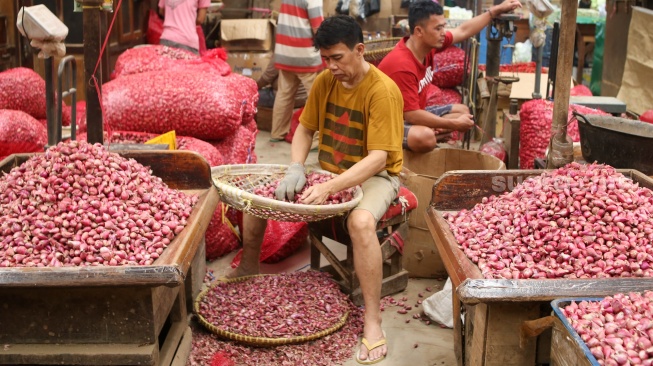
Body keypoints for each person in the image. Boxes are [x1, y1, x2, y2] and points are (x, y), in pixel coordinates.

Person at [228, 15, 404, 365]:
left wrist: (331, 187)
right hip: (329, 171)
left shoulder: (382, 91)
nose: (331, 65)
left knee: (361, 223)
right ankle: (248, 265)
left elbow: (378, 159)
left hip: (374, 177)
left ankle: (372, 321)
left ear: (359, 50)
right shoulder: (324, 82)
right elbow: (305, 130)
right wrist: (296, 167)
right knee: (261, 191)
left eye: (337, 57)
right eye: (325, 59)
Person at [378, 0, 522, 152]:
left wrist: (494, 12)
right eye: (438, 28)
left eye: (443, 27)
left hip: (411, 114)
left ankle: (433, 134)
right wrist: (452, 125)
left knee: (462, 112)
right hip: (388, 122)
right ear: (419, 31)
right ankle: (430, 137)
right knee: (425, 138)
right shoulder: (402, 65)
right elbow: (411, 115)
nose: (443, 33)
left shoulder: (426, 45)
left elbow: (463, 31)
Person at [268, 0, 324, 142]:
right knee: (316, 96)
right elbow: (319, 28)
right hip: (305, 55)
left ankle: (277, 133)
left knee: (284, 94)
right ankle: (316, 140)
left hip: (285, 52)